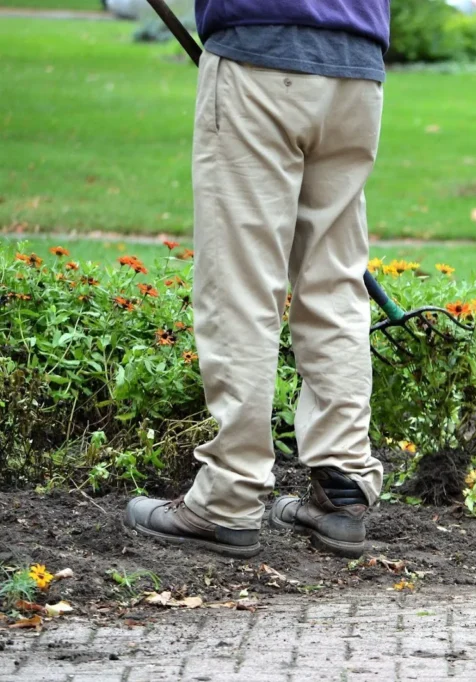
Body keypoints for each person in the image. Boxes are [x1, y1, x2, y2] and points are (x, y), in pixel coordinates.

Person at [123, 0, 390, 558]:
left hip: (260, 57)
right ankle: (343, 489)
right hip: (356, 65)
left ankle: (228, 498)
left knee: (242, 285)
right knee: (335, 281)